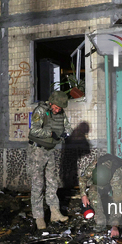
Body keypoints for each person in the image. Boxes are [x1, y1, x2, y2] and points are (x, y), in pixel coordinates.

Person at [28, 91, 73, 230]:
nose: (57, 110)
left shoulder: (61, 113)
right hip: (38, 151)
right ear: (51, 102)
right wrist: (50, 134)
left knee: (52, 182)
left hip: (51, 150)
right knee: (38, 184)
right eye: (56, 107)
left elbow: (68, 127)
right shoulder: (41, 111)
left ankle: (55, 213)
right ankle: (39, 217)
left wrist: (67, 134)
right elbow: (34, 130)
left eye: (60, 108)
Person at [79, 153, 122, 238]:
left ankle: (116, 222)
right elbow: (82, 178)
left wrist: (114, 225)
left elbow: (118, 201)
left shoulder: (117, 175)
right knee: (92, 191)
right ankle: (100, 221)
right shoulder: (95, 166)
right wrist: (83, 195)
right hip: (102, 179)